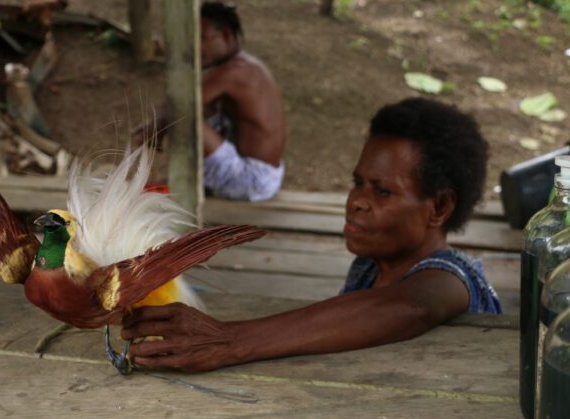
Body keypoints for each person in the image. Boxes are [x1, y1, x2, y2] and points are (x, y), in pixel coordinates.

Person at [120, 98, 502, 372]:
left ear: (439, 208)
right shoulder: (370, 268)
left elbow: (412, 306)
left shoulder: (454, 278)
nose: (357, 202)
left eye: (381, 191)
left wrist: (230, 341)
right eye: (358, 183)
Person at [138, 2, 287, 202]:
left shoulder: (235, 72)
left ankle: (183, 182)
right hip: (265, 177)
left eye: (202, 38)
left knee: (185, 113)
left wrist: (153, 131)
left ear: (225, 35)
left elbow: (182, 105)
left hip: (251, 179)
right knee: (200, 111)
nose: (196, 46)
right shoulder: (246, 66)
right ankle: (188, 181)